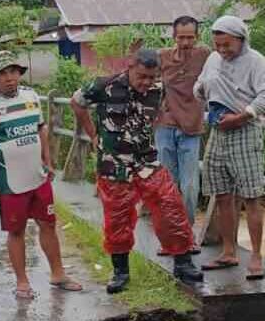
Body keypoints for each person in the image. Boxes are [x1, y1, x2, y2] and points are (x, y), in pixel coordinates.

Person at [70, 49, 203, 294]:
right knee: (117, 216)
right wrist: (93, 134)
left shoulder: (158, 90)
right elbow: (76, 103)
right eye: (142, 76)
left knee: (170, 204)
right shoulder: (104, 85)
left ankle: (183, 263)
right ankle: (120, 271)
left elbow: (158, 114)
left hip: (146, 160)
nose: (146, 82)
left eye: (151, 77)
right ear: (129, 67)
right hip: (114, 162)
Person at [0, 51, 82, 300]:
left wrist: (48, 160)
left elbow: (41, 129)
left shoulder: (31, 96)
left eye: (13, 71)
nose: (9, 78)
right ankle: (22, 282)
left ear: (19, 73)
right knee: (16, 231)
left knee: (48, 224)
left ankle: (58, 274)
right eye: (3, 73)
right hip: (10, 182)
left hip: (38, 176)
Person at [193, 16, 265, 280]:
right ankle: (228, 251)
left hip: (244, 130)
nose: (222, 50)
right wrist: (202, 89)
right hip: (218, 131)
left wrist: (242, 116)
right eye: (217, 45)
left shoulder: (257, 62)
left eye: (227, 45)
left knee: (251, 196)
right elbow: (199, 88)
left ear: (242, 40)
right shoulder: (213, 60)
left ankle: (256, 256)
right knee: (221, 194)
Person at [155, 16, 210, 249]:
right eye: (181, 37)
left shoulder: (205, 55)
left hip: (192, 128)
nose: (186, 42)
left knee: (189, 186)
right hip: (165, 126)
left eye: (190, 37)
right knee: (167, 184)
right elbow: (141, 75)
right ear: (173, 37)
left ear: (197, 36)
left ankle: (186, 234)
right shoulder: (162, 56)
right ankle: (169, 236)